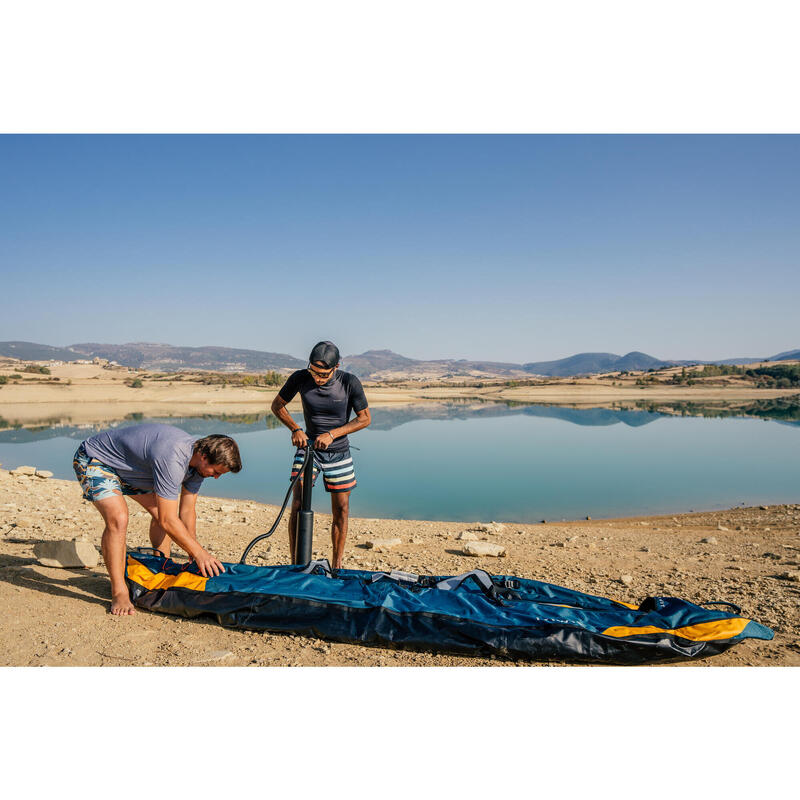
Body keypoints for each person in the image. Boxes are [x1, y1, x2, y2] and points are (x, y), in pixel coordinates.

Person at [72, 423, 242, 615]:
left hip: (132, 471)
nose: (217, 477)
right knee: (119, 518)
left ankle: (162, 568)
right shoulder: (173, 458)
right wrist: (200, 553)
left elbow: (187, 512)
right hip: (96, 460)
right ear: (204, 456)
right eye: (217, 472)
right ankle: (119, 591)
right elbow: (168, 519)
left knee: (160, 511)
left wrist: (193, 552)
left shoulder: (197, 467)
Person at [271, 341, 370, 568]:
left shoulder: (349, 382)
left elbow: (365, 418)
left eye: (323, 374)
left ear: (336, 367)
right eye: (314, 372)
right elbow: (277, 406)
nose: (317, 378)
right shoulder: (300, 377)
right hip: (308, 450)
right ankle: (296, 564)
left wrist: (333, 434)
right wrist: (295, 429)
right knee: (297, 503)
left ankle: (336, 566)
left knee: (342, 509)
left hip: (339, 453)